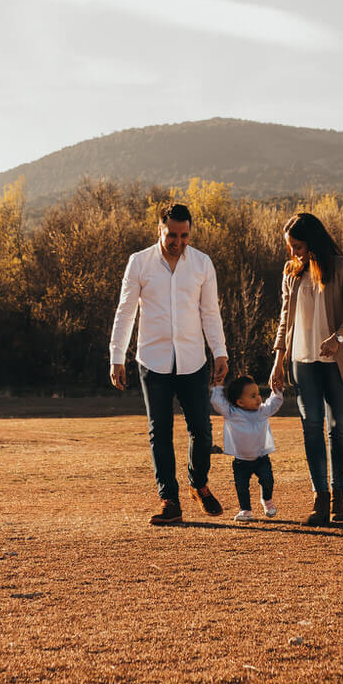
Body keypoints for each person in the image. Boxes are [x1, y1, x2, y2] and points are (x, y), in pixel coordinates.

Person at [110, 203, 230, 526]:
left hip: (193, 361)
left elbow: (210, 313)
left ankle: (198, 483)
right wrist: (116, 356)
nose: (178, 242)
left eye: (184, 235)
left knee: (202, 431)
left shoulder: (202, 264)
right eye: (172, 235)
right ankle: (169, 499)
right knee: (159, 432)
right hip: (153, 361)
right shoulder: (139, 263)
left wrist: (220, 352)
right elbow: (125, 312)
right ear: (159, 231)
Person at [268, 212, 343, 527]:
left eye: (297, 245)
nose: (293, 252)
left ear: (313, 241)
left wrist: (338, 339)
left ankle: (338, 496)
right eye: (290, 247)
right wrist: (278, 362)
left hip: (337, 361)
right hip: (302, 360)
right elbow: (285, 319)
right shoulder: (291, 273)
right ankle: (320, 499)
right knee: (311, 426)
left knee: (337, 429)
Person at [210, 375, 284, 521]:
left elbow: (274, 403)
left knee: (268, 480)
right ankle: (245, 510)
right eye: (253, 396)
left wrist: (277, 391)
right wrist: (218, 387)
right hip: (241, 461)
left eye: (258, 394)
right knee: (242, 487)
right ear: (240, 402)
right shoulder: (232, 413)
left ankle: (267, 500)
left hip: (262, 458)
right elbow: (217, 402)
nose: (258, 398)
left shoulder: (262, 411)